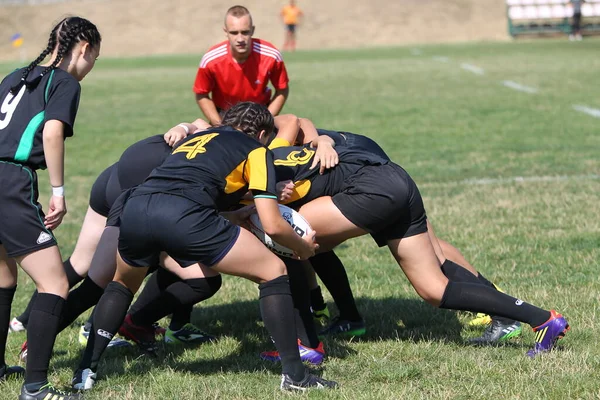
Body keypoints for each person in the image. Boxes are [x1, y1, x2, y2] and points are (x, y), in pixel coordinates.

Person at [71, 102, 337, 392]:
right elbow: (273, 225)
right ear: (262, 134)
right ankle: (296, 377)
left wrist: (233, 216)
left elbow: (186, 184)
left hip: (135, 208)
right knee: (273, 271)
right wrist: (303, 247)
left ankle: (85, 372)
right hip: (182, 215)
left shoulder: (197, 138)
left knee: (122, 285)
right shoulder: (256, 150)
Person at [265, 134, 570, 359]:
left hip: (370, 188)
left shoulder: (254, 164)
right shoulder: (275, 149)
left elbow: (291, 123)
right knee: (434, 290)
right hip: (396, 178)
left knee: (288, 239)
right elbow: (296, 123)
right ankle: (543, 319)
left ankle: (306, 345)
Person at [0, 16, 101, 400]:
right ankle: (36, 388)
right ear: (84, 48)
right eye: (95, 58)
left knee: (4, 277)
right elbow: (53, 130)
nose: (91, 66)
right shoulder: (65, 82)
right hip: (11, 182)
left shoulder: (14, 75)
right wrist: (58, 191)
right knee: (55, 283)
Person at [193, 5, 289, 125]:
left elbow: (282, 90)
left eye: (245, 32)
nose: (240, 39)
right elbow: (201, 94)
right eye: (234, 33)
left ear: (252, 30)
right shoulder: (210, 60)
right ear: (226, 32)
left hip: (259, 113)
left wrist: (266, 119)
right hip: (224, 115)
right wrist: (219, 125)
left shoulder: (271, 56)